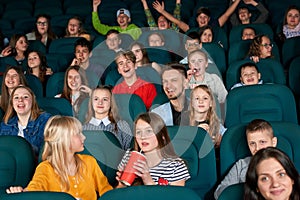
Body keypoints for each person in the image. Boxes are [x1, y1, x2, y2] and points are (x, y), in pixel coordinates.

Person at [6, 115, 113, 200]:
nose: (84, 137)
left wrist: (122, 184)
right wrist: (20, 192)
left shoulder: (90, 162)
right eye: (78, 134)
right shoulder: (45, 168)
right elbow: (34, 190)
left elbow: (107, 193)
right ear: (64, 140)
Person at [116, 112, 190, 186]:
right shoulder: (129, 156)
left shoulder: (176, 166)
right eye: (138, 132)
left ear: (162, 136)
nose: (143, 137)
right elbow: (118, 195)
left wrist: (148, 181)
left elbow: (176, 196)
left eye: (148, 131)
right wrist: (121, 184)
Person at [214, 119, 278, 199]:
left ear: (273, 142)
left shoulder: (282, 164)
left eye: (262, 142)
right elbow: (219, 193)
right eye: (252, 143)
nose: (257, 148)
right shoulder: (241, 165)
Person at [0, 85, 51, 155]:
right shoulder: (5, 124)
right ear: (12, 103)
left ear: (33, 101)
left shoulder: (45, 120)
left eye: (25, 97)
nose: (20, 100)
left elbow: (45, 150)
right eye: (16, 97)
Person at [83, 86, 133, 150]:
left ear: (111, 103)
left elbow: (130, 151)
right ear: (91, 103)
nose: (100, 102)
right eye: (96, 99)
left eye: (105, 99)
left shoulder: (122, 125)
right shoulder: (83, 128)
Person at [152, 0, 241, 32]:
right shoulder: (191, 29)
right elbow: (177, 21)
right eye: (200, 17)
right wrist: (162, 11)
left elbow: (226, 14)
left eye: (205, 17)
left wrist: (237, 0)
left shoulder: (214, 25)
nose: (203, 19)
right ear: (197, 19)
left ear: (209, 19)